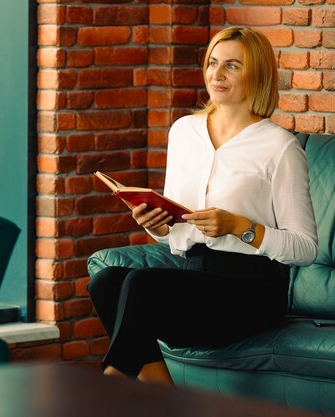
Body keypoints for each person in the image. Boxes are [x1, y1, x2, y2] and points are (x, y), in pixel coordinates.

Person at [87, 26, 318, 384]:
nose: (216, 74)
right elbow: (174, 233)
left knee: (141, 285)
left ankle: (109, 389)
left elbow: (304, 248)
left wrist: (240, 226)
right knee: (105, 282)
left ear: (256, 73)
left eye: (232, 66)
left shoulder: (280, 147)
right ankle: (163, 399)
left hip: (253, 290)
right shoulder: (183, 132)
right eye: (212, 62)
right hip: (194, 276)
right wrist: (156, 224)